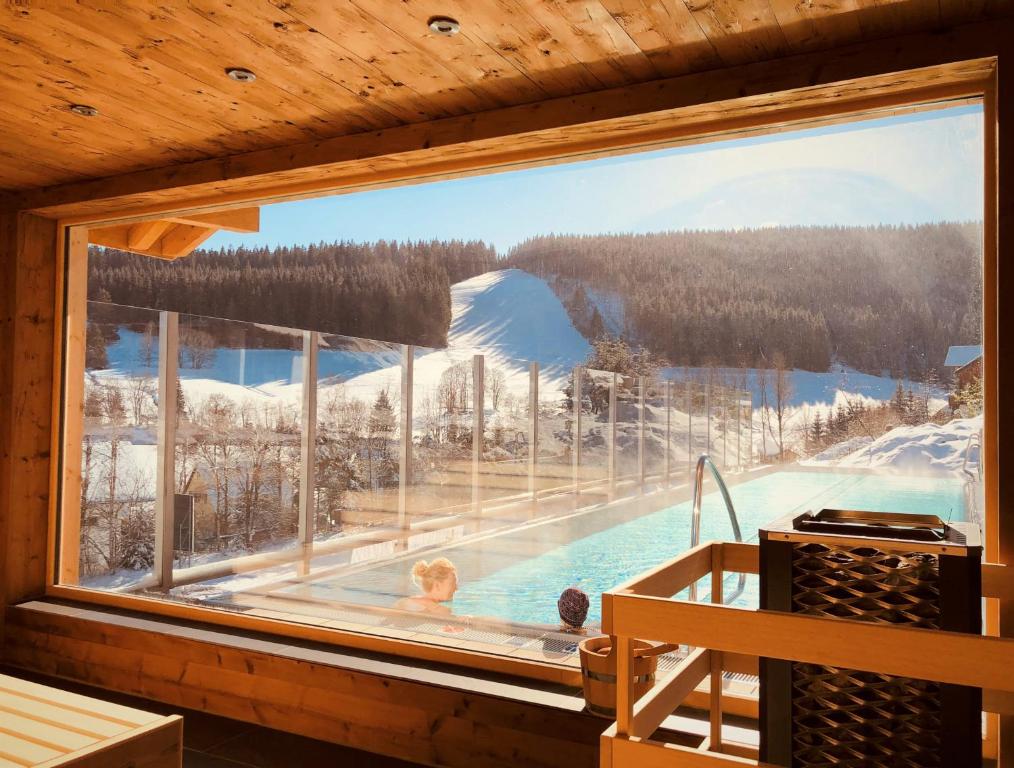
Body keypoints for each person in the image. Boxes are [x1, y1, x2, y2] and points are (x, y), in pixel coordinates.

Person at [394, 557, 458, 616]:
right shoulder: (409, 605)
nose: (456, 589)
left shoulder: (410, 602)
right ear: (437, 585)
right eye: (452, 584)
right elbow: (447, 614)